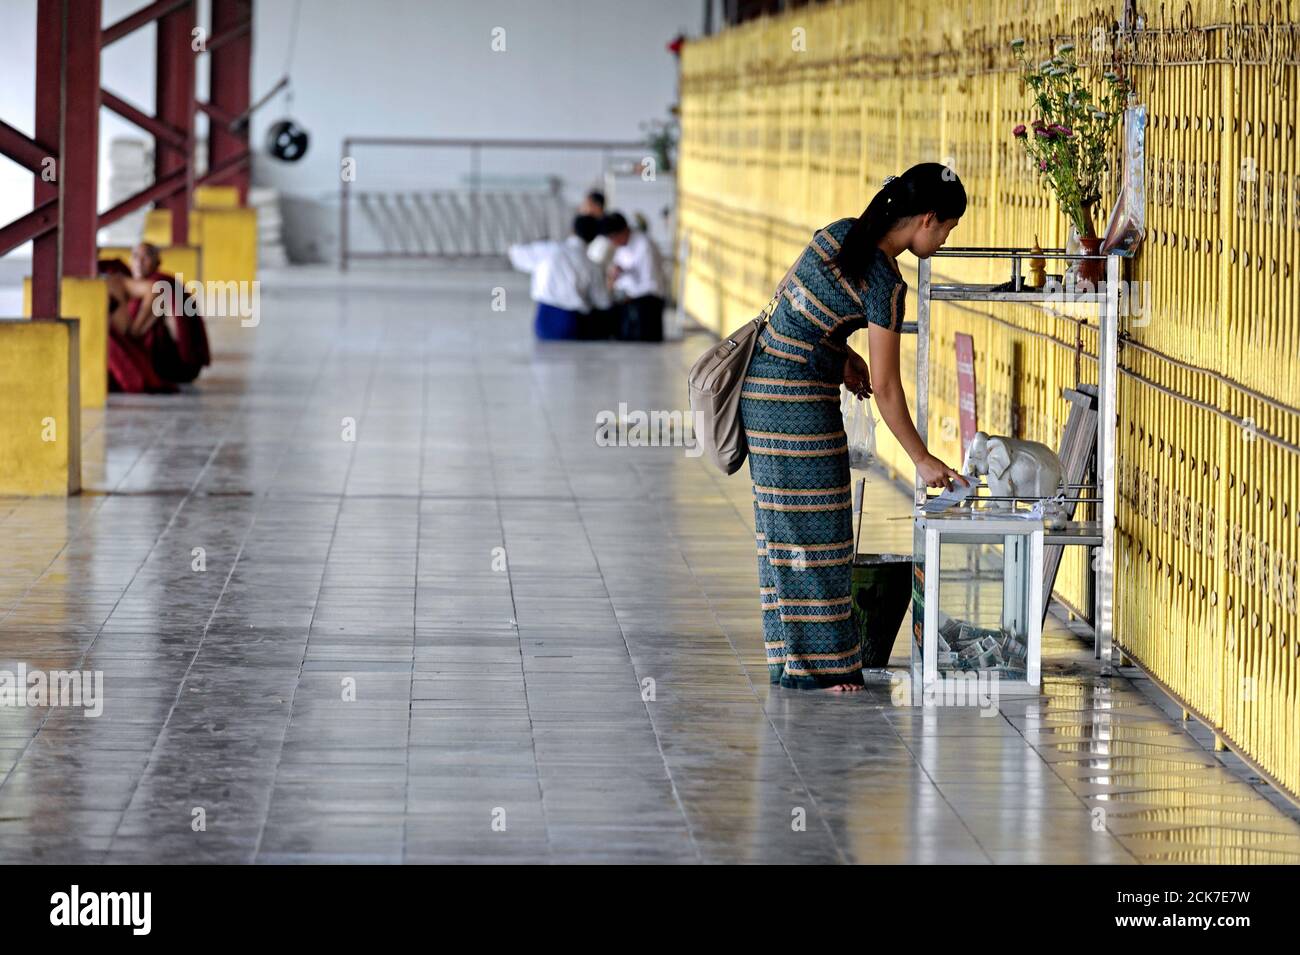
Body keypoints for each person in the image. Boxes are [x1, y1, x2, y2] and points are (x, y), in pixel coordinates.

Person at [740, 162, 969, 692]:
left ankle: (794, 662)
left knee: (785, 531)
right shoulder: (886, 283)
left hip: (766, 385)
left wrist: (840, 352)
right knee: (818, 533)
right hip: (795, 402)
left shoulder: (838, 234)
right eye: (948, 229)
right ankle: (822, 669)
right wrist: (921, 458)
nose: (946, 239)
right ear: (927, 219)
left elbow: (792, 307)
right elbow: (887, 387)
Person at [98, 242, 211, 393]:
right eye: (136, 256)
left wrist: (134, 332)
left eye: (146, 257)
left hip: (172, 364)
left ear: (158, 262)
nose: (140, 262)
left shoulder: (163, 283)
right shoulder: (135, 283)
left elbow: (179, 332)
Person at [507, 214, 612, 340]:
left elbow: (516, 253)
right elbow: (603, 302)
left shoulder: (549, 250)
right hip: (572, 323)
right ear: (594, 238)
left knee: (545, 357)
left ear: (572, 230)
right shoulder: (591, 266)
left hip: (543, 320)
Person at [604, 212, 665, 342]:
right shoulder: (622, 247)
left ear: (624, 231)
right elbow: (620, 271)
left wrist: (628, 296)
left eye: (614, 238)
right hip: (630, 298)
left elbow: (651, 284)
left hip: (648, 300)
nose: (613, 243)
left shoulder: (644, 245)